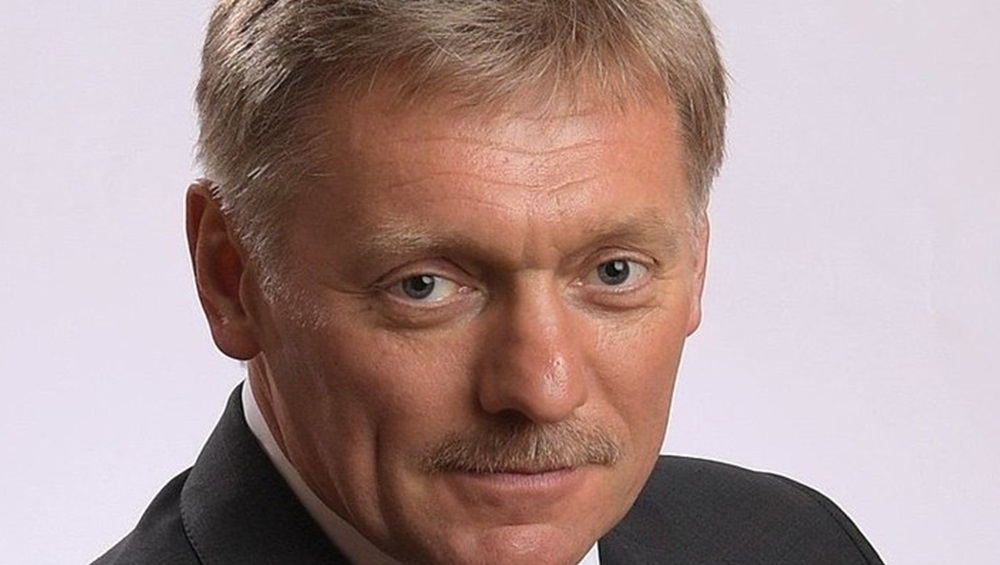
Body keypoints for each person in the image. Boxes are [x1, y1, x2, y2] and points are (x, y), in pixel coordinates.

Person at [93, 1, 884, 564]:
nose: (542, 388)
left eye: (613, 272)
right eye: (424, 286)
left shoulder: (799, 544)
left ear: (697, 262)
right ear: (230, 277)